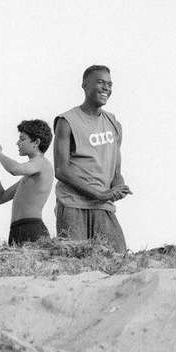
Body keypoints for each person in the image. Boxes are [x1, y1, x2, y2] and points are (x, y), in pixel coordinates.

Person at [53, 65, 131, 252]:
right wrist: (100, 194)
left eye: (109, 84)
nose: (106, 88)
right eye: (101, 82)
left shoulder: (113, 123)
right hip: (73, 204)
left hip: (103, 205)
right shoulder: (66, 121)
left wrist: (119, 187)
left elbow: (116, 171)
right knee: (76, 261)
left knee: (118, 257)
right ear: (85, 85)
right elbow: (61, 170)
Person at [0, 119, 55, 246]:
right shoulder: (29, 176)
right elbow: (0, 197)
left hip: (31, 228)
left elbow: (15, 169)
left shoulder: (41, 163)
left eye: (22, 139)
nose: (17, 143)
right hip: (17, 229)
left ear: (36, 142)